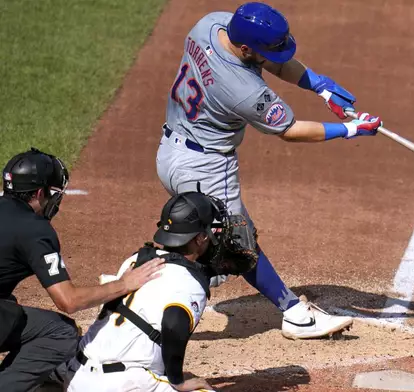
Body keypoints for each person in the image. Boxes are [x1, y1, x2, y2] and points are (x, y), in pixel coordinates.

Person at [156, 1, 381, 340]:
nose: (272, 56)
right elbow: (288, 130)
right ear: (245, 47)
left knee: (206, 245)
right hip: (207, 168)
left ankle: (147, 276)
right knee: (239, 241)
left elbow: (270, 61)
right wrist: (350, 130)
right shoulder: (242, 90)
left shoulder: (212, 25)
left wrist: (317, 84)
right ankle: (294, 315)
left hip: (171, 152)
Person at [0, 147, 164, 392]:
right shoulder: (34, 230)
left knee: (7, 306)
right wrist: (124, 284)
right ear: (39, 193)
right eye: (53, 193)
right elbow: (68, 301)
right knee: (61, 333)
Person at [65, 191, 256, 392]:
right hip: (123, 384)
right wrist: (177, 381)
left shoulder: (137, 260)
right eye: (212, 230)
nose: (216, 235)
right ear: (199, 238)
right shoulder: (189, 283)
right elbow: (173, 324)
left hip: (77, 375)